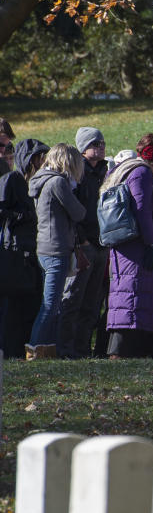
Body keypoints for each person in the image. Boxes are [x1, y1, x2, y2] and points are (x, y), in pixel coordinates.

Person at [104, 134, 153, 358]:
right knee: (132, 297)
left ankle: (129, 351)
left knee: (128, 296)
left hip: (126, 247)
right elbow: (142, 211)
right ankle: (124, 351)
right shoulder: (141, 173)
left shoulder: (125, 170)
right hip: (137, 249)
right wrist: (152, 242)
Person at [27, 143, 86, 359]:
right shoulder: (58, 182)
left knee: (50, 303)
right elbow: (79, 213)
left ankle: (45, 350)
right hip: (57, 248)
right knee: (50, 305)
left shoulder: (42, 180)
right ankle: (34, 351)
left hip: (44, 247)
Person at [58, 127, 108, 359]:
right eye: (94, 143)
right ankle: (66, 350)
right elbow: (71, 210)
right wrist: (82, 239)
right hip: (83, 245)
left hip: (101, 243)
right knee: (73, 299)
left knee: (93, 301)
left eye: (102, 143)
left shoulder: (107, 172)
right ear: (83, 148)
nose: (100, 146)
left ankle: (82, 349)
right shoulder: (76, 172)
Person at [0, 139, 48, 359]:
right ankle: (10, 352)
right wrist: (23, 216)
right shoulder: (12, 180)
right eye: (39, 158)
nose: (43, 162)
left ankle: (23, 350)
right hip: (15, 251)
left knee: (31, 303)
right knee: (14, 308)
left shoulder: (36, 183)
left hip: (33, 251)